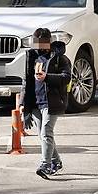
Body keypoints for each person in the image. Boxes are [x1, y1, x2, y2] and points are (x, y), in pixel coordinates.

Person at [20, 28, 72, 179]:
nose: (38, 47)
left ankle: (45, 165)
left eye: (41, 43)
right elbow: (27, 82)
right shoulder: (32, 57)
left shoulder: (59, 58)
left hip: (53, 101)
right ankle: (56, 162)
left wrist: (47, 77)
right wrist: (25, 107)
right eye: (35, 43)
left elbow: (66, 77)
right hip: (36, 102)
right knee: (43, 135)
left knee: (46, 132)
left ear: (48, 42)